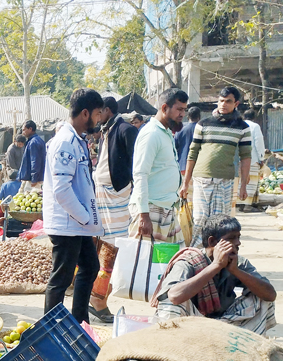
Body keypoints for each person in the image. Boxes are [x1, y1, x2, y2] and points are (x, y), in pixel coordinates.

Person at [152, 214, 276, 334]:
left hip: (226, 321)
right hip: (192, 323)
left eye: (238, 237)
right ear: (212, 242)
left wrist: (236, 271)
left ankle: (245, 344)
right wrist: (215, 266)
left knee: (261, 296)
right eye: (232, 238)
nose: (238, 243)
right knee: (170, 303)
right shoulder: (188, 262)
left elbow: (270, 295)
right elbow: (174, 296)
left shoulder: (238, 262)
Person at [41, 89, 104, 321]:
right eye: (97, 114)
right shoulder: (65, 142)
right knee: (61, 279)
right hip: (68, 222)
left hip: (77, 222)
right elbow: (61, 190)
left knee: (90, 267)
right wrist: (85, 218)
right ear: (85, 113)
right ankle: (50, 329)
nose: (99, 120)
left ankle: (79, 321)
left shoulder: (76, 140)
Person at [181, 86, 252, 245]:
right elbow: (192, 153)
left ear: (236, 103)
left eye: (228, 101)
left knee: (220, 223)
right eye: (221, 101)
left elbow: (246, 156)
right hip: (201, 180)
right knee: (200, 220)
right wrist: (185, 183)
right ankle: (198, 256)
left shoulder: (242, 128)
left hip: (225, 182)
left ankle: (218, 260)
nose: (223, 104)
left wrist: (243, 185)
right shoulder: (203, 123)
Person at [91, 96, 139, 321]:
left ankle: (99, 299)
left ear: (107, 110)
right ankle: (95, 298)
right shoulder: (105, 129)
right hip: (102, 193)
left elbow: (135, 164)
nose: (96, 116)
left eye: (98, 112)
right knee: (102, 244)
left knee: (113, 246)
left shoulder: (125, 129)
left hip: (118, 195)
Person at [130, 88, 190, 243]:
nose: (182, 115)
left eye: (184, 110)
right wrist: (144, 215)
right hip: (150, 210)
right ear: (164, 108)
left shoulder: (165, 132)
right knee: (145, 263)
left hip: (166, 209)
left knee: (171, 263)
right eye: (179, 110)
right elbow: (140, 174)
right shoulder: (151, 134)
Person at [237, 109, 266, 210]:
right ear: (254, 117)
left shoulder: (238, 124)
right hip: (252, 158)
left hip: (238, 158)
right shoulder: (255, 126)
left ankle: (239, 203)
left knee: (240, 181)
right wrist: (261, 157)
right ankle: (247, 205)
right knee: (250, 182)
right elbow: (258, 142)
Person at [19, 120, 45, 191]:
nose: (23, 132)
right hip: (36, 178)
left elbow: (35, 161)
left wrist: (34, 179)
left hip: (34, 180)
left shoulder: (34, 142)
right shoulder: (36, 140)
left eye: (24, 130)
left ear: (30, 129)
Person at [175, 107, 201, 174]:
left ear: (187, 116)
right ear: (199, 117)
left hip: (182, 166)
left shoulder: (180, 129)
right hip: (197, 167)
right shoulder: (202, 130)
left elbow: (174, 147)